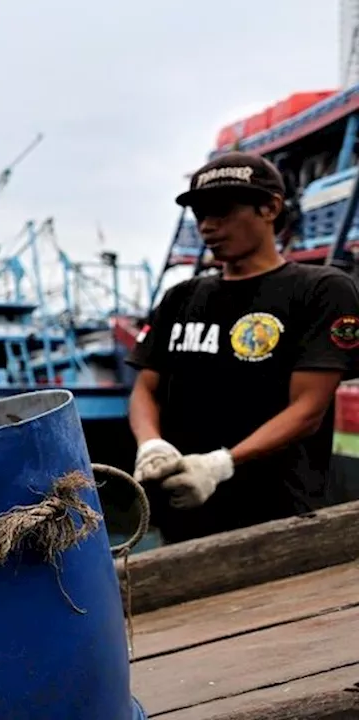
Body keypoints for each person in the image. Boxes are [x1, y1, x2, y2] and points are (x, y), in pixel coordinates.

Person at [126, 151, 359, 545]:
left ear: (269, 207)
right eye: (199, 215)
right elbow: (146, 388)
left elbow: (308, 410)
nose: (207, 226)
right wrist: (151, 443)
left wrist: (221, 464)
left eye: (221, 211)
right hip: (184, 511)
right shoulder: (180, 297)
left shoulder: (321, 291)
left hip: (279, 517)